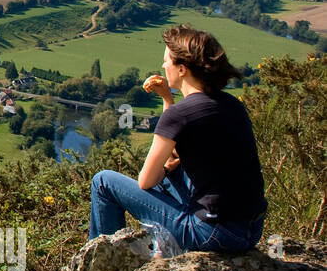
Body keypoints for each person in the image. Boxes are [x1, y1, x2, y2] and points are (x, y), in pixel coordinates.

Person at [88, 24, 266, 252]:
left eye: (167, 61)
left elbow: (146, 181)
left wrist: (164, 169)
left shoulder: (180, 114)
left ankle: (105, 260)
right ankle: (162, 251)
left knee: (103, 182)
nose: (163, 66)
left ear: (182, 69)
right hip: (250, 232)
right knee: (174, 172)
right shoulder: (232, 105)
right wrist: (166, 98)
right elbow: (181, 141)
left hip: (210, 233)